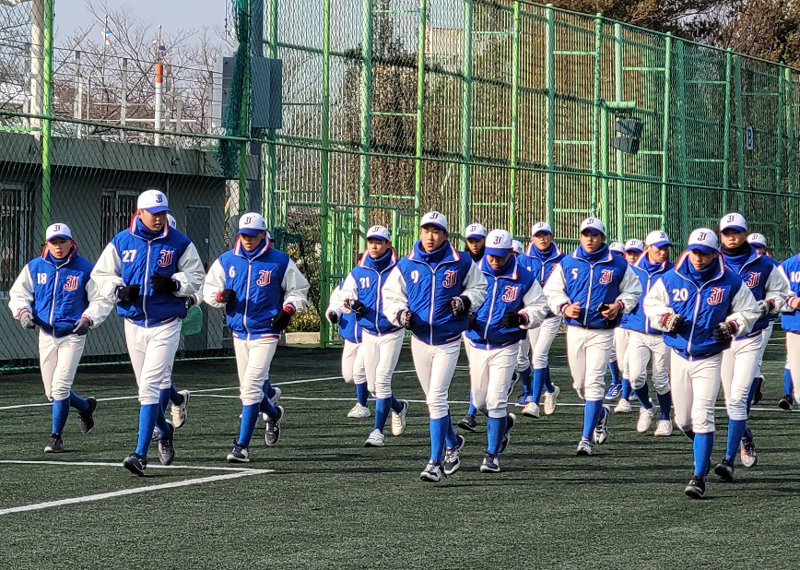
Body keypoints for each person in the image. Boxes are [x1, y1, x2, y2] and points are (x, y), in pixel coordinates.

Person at [86, 189, 205, 476]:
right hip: (134, 323)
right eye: (154, 213)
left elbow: (197, 277)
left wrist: (174, 285)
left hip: (166, 323)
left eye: (163, 212)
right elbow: (100, 275)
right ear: (139, 213)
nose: (159, 218)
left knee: (150, 386)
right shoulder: (121, 241)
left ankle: (140, 454)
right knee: (145, 388)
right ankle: (164, 431)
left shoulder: (180, 242)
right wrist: (119, 289)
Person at [643, 228, 759, 498]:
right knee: (683, 420)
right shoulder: (672, 278)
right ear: (689, 249)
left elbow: (749, 311)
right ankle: (702, 454)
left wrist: (733, 324)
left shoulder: (729, 280)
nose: (698, 258)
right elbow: (650, 304)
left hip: (710, 356)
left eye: (705, 253)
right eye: (695, 251)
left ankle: (698, 477)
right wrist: (665, 317)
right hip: (679, 354)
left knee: (702, 414)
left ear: (714, 253)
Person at [383, 211, 487, 482]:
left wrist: (465, 300)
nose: (431, 236)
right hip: (419, 340)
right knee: (433, 400)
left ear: (446, 235)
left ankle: (434, 462)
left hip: (448, 341)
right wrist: (400, 314)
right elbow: (392, 297)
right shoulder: (407, 264)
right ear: (419, 233)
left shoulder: (461, 262)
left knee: (437, 398)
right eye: (426, 231)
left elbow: (480, 288)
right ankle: (453, 443)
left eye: (436, 231)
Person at [203, 212, 309, 463]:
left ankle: (242, 446)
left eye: (252, 235)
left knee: (250, 388)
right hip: (239, 332)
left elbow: (299, 290)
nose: (248, 239)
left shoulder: (280, 261)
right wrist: (219, 297)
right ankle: (273, 414)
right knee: (250, 388)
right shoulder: (227, 260)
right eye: (243, 235)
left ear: (263, 234)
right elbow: (208, 289)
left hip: (266, 331)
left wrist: (289, 309)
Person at [543, 217, 641, 456]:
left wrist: (619, 305)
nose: (590, 238)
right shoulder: (568, 261)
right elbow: (552, 290)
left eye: (594, 235)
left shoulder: (617, 264)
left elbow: (634, 290)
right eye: (586, 234)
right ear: (580, 237)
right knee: (580, 385)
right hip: (575, 330)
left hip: (603, 331)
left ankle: (585, 439)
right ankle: (601, 413)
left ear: (602, 238)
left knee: (595, 382)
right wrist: (564, 306)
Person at [8, 223, 98, 453]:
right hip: (46, 333)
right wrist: (23, 312)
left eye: (62, 241)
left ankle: (56, 438)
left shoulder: (85, 269)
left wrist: (89, 318)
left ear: (71, 242)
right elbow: (19, 294)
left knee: (60, 388)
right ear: (47, 244)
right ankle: (85, 407)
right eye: (54, 242)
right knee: (52, 392)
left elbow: (99, 299)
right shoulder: (35, 267)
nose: (58, 246)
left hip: (72, 335)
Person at [464, 229, 548, 472]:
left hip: (506, 345)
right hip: (477, 342)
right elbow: (457, 300)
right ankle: (503, 426)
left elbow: (539, 308)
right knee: (480, 401)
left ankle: (491, 456)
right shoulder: (473, 271)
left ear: (511, 252)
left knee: (497, 400)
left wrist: (523, 317)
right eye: (491, 255)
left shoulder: (524, 277)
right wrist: (464, 317)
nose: (494, 260)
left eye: (500, 256)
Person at [715, 214, 788, 478]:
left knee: (738, 399)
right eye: (727, 232)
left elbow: (782, 294)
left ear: (746, 233)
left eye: (737, 231)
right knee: (728, 402)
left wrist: (769, 304)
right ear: (720, 235)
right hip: (721, 341)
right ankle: (744, 436)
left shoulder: (764, 264)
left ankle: (727, 461)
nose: (732, 237)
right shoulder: (712, 261)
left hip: (750, 338)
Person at [337, 225, 409, 447]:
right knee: (373, 387)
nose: (374, 246)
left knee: (383, 380)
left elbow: (409, 295)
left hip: (392, 332)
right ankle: (399, 407)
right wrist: (351, 304)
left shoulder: (399, 270)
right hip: (368, 333)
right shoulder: (359, 271)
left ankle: (377, 431)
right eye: (371, 241)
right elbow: (344, 297)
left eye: (379, 242)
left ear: (388, 245)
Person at [617, 231, 674, 435]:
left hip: (662, 335)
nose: (663, 251)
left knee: (660, 379)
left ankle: (665, 418)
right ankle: (647, 407)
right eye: (659, 247)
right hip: (638, 332)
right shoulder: (632, 271)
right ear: (647, 247)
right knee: (636, 377)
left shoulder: (673, 273)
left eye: (666, 247)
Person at [518, 221, 564, 418]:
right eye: (538, 235)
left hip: (552, 314)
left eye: (545, 235)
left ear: (552, 237)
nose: (542, 239)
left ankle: (534, 402)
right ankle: (551, 390)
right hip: (532, 313)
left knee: (538, 356)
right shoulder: (523, 259)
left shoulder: (562, 260)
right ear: (532, 239)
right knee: (536, 356)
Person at [456, 222, 488, 431]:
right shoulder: (462, 262)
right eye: (471, 240)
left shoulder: (494, 259)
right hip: (470, 322)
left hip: (492, 322)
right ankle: (471, 413)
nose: (474, 244)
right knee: (474, 370)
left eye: (478, 240)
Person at [608, 238, 644, 408]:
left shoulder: (645, 272)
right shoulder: (618, 272)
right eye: (630, 253)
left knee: (631, 364)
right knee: (623, 363)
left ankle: (625, 397)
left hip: (638, 325)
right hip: (621, 323)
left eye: (636, 253)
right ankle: (625, 388)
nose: (632, 256)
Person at [326, 282, 369, 418]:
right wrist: (332, 314)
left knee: (359, 372)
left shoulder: (375, 284)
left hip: (368, 337)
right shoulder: (344, 286)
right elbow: (335, 305)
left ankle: (362, 405)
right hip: (350, 338)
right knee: (349, 376)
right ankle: (397, 405)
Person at [779, 246, 800, 413]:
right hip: (796, 330)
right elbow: (775, 297)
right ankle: (788, 394)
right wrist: (791, 301)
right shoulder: (787, 266)